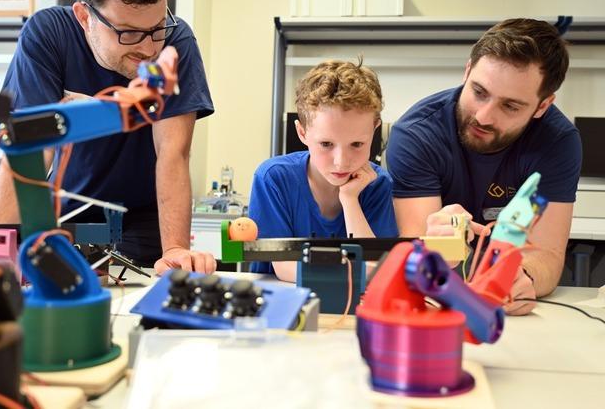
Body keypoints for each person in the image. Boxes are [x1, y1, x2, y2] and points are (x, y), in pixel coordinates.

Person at [0, 0, 216, 275]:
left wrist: (174, 249)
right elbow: (27, 151)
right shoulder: (49, 33)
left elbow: (173, 152)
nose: (149, 49)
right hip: (68, 211)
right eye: (128, 33)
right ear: (85, 17)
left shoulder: (176, 39)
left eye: (157, 28)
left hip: (144, 217)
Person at [386, 18, 581, 315]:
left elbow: (548, 255)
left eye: (510, 106)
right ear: (467, 71)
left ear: (543, 106)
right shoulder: (416, 135)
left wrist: (524, 277)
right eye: (479, 92)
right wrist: (432, 248)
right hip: (437, 306)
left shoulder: (557, 142)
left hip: (506, 313)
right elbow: (418, 256)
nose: (484, 116)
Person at [249, 60, 398, 281]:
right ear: (302, 132)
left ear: (374, 129)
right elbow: (285, 267)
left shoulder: (377, 184)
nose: (341, 162)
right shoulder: (273, 178)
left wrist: (349, 199)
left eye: (356, 144)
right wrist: (357, 271)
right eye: (326, 144)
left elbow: (376, 269)